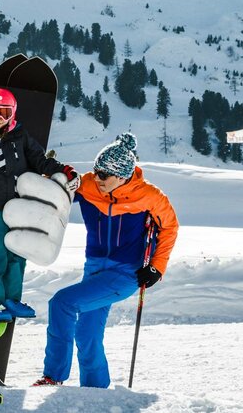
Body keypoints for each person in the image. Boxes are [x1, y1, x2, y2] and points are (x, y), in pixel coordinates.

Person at [33, 132, 179, 388]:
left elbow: (170, 227)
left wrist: (157, 267)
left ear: (122, 176)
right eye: (96, 171)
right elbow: (57, 193)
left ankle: (53, 377)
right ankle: (95, 392)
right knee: (87, 334)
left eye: (103, 174)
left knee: (62, 303)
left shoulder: (149, 196)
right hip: (95, 270)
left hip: (124, 274)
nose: (96, 178)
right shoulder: (89, 184)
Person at [0, 87, 76, 323]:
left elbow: (39, 161)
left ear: (13, 114)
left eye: (4, 113)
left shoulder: (20, 136)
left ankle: (11, 300)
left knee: (19, 252)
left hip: (21, 206)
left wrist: (62, 170)